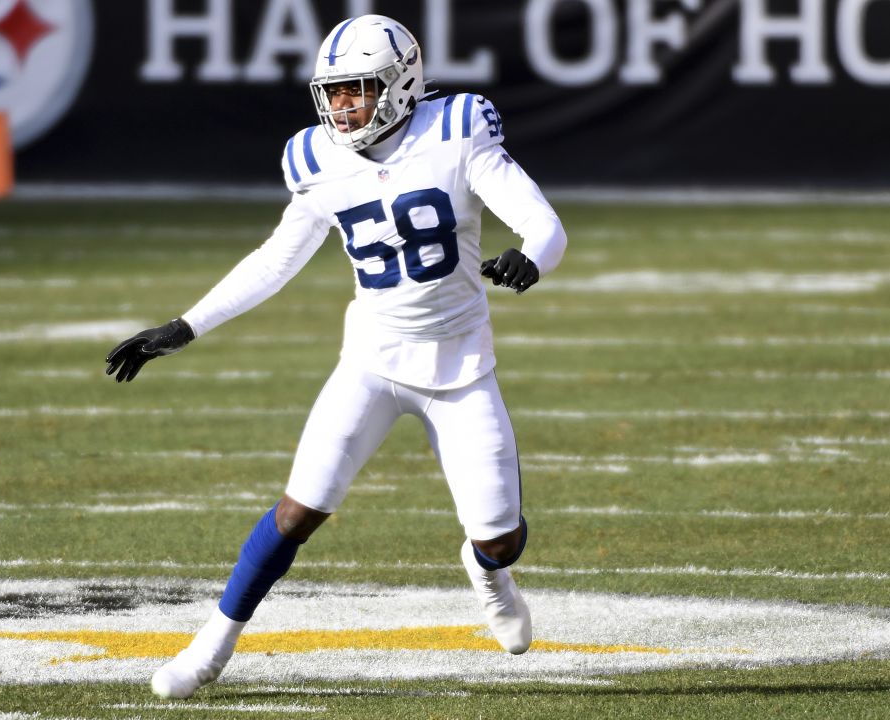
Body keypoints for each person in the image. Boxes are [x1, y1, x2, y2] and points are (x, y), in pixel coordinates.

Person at [104, 14, 567, 699]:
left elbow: (543, 223)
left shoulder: (456, 130)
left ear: (402, 83)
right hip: (372, 362)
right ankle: (210, 648)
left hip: (461, 366)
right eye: (334, 91)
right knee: (299, 510)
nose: (343, 105)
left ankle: (489, 573)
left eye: (358, 89)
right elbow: (277, 258)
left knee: (499, 536)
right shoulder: (316, 158)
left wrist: (529, 258)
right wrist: (187, 324)